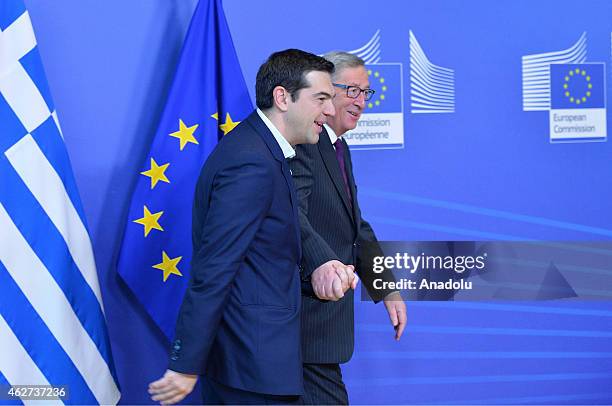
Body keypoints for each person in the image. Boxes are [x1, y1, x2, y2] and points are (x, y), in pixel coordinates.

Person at [148, 49, 335, 405]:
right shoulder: (252, 162)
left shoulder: (262, 151)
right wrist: (186, 364)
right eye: (321, 98)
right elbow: (215, 266)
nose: (329, 111)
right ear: (282, 97)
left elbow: (262, 259)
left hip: (256, 366)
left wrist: (318, 277)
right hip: (252, 372)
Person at [289, 51, 407, 405]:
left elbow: (355, 226)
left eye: (365, 93)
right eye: (352, 90)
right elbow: (294, 219)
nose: (361, 102)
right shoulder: (307, 144)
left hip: (321, 331)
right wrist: (326, 265)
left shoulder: (337, 146)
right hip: (304, 324)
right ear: (325, 91)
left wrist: (386, 286)